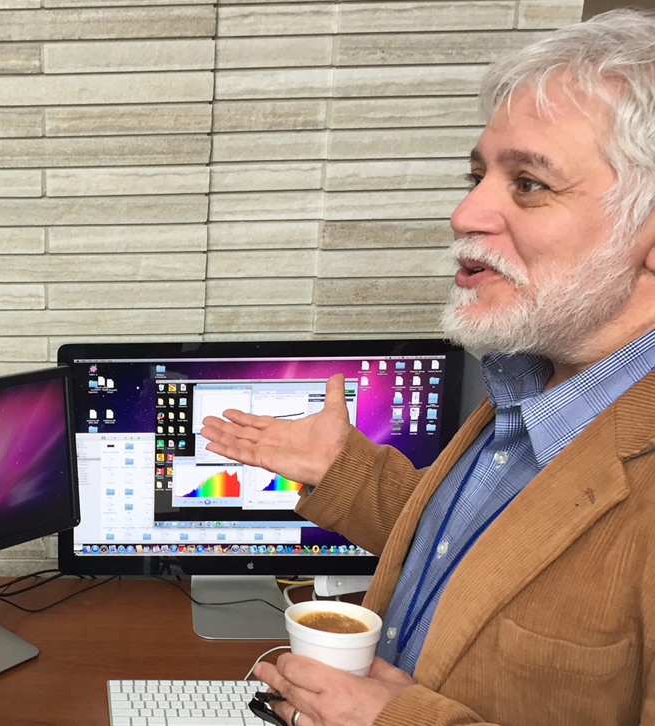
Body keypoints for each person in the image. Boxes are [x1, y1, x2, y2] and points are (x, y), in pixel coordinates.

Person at [201, 9, 655, 726]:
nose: (465, 211)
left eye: (529, 184)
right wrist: (340, 468)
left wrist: (393, 720)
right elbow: (469, 555)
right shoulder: (532, 380)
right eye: (477, 175)